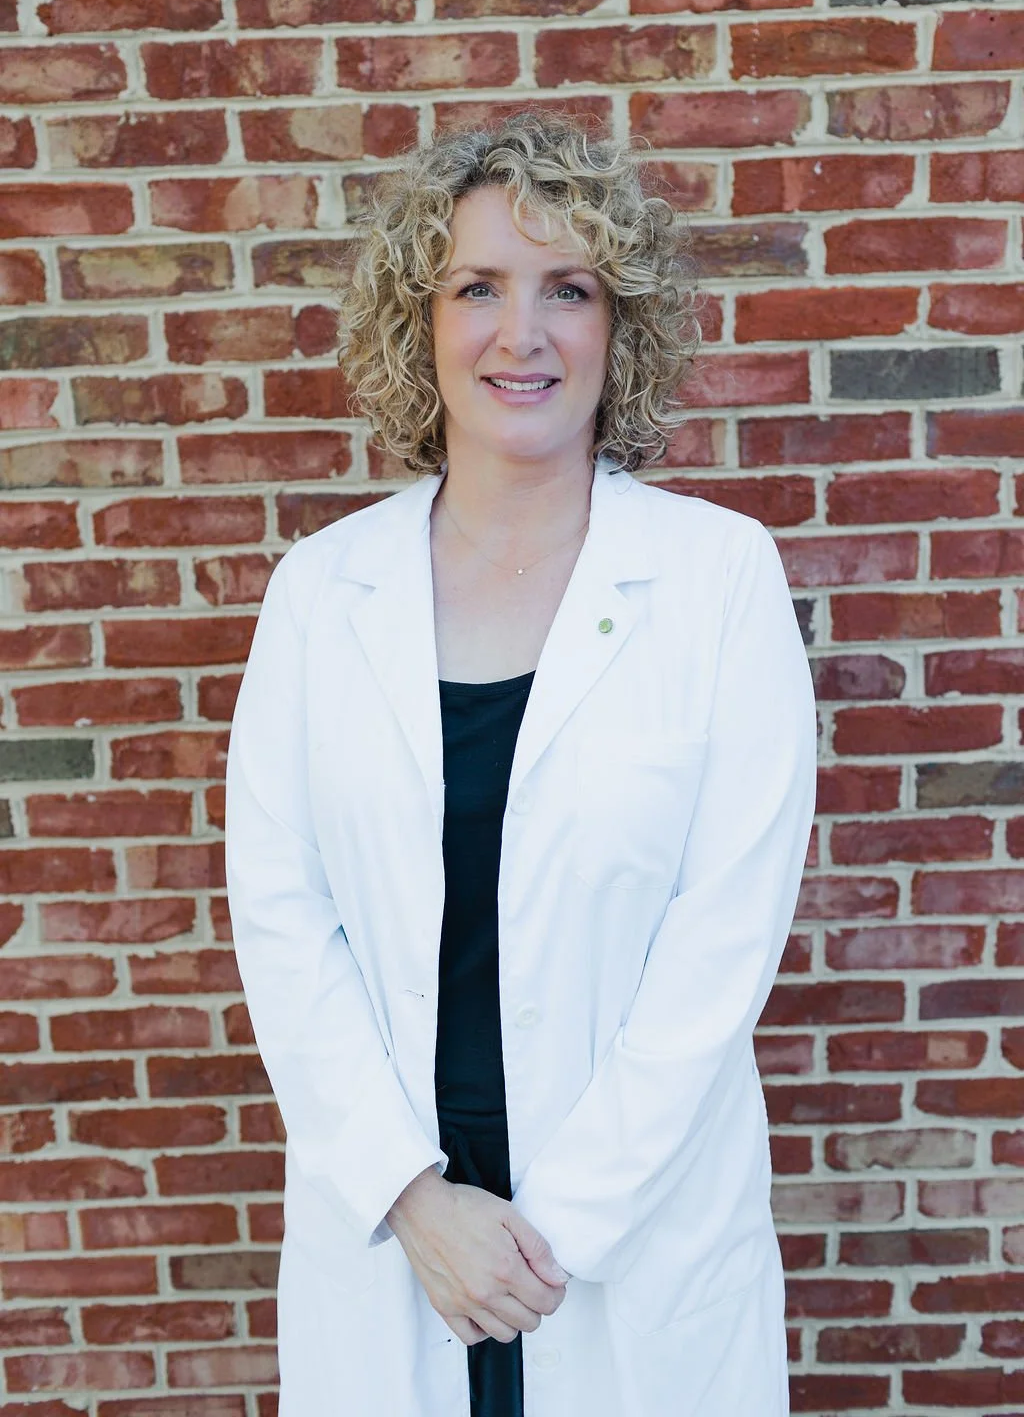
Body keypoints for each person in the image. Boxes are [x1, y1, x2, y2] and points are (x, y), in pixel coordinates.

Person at [224, 111, 818, 1417]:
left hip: (627, 1229)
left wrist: (562, 1226)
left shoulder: (719, 581)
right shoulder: (322, 595)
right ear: (419, 321)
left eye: (569, 289)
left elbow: (723, 940)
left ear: (623, 325)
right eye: (476, 287)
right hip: (398, 1230)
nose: (522, 332)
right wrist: (410, 1196)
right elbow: (281, 916)